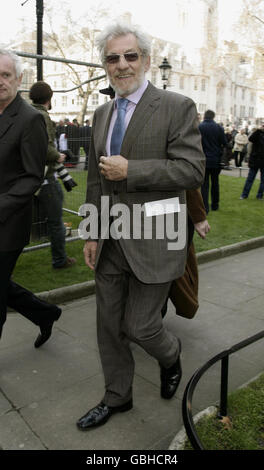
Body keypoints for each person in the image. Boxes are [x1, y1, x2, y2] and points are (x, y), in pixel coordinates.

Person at [76, 22, 205, 431]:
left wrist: (132, 170)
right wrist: (93, 230)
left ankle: (170, 354)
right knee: (109, 327)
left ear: (146, 60)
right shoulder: (100, 114)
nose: (122, 64)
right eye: (113, 58)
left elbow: (191, 170)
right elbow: (96, 180)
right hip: (111, 238)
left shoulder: (176, 105)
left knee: (141, 326)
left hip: (155, 238)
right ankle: (118, 397)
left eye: (130, 56)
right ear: (105, 65)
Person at [0, 49, 61, 346]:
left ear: (18, 79)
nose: (0, 81)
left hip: (8, 226)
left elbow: (31, 177)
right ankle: (45, 313)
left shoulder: (30, 119)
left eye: (5, 75)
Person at [29, 81, 77, 269]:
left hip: (28, 176)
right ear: (50, 98)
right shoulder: (42, 116)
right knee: (56, 222)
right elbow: (45, 147)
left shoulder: (26, 113)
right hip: (45, 177)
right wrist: (59, 155)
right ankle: (60, 260)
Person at [161, 189, 210, 319]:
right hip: (143, 215)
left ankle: (153, 322)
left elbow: (188, 178)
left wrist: (198, 216)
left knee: (165, 275)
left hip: (167, 215)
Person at [199, 109, 227, 213]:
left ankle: (205, 207)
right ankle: (215, 205)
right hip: (215, 159)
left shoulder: (200, 127)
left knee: (204, 185)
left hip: (203, 159)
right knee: (215, 183)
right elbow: (225, 142)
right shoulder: (219, 128)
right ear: (213, 117)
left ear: (205, 116)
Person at [240, 125, 264, 200]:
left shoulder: (258, 134)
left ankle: (259, 195)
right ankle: (245, 194)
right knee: (250, 178)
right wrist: (258, 131)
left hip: (259, 159)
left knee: (261, 180)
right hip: (255, 159)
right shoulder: (257, 134)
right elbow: (251, 139)